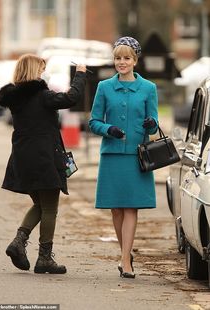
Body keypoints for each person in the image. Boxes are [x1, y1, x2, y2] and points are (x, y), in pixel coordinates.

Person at [0, 54, 86, 274]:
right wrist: (80, 74)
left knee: (40, 204)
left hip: (23, 159)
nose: (43, 73)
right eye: (41, 69)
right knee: (49, 208)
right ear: (33, 71)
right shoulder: (43, 96)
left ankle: (19, 242)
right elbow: (71, 98)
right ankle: (44, 258)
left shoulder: (16, 99)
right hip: (44, 159)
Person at [89, 37, 158, 278]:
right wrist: (109, 130)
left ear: (135, 60)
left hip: (137, 156)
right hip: (112, 156)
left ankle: (125, 260)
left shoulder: (149, 88)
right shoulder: (104, 87)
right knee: (116, 209)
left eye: (126, 58)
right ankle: (125, 253)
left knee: (131, 208)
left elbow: (154, 122)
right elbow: (93, 121)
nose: (122, 62)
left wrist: (151, 124)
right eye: (118, 58)